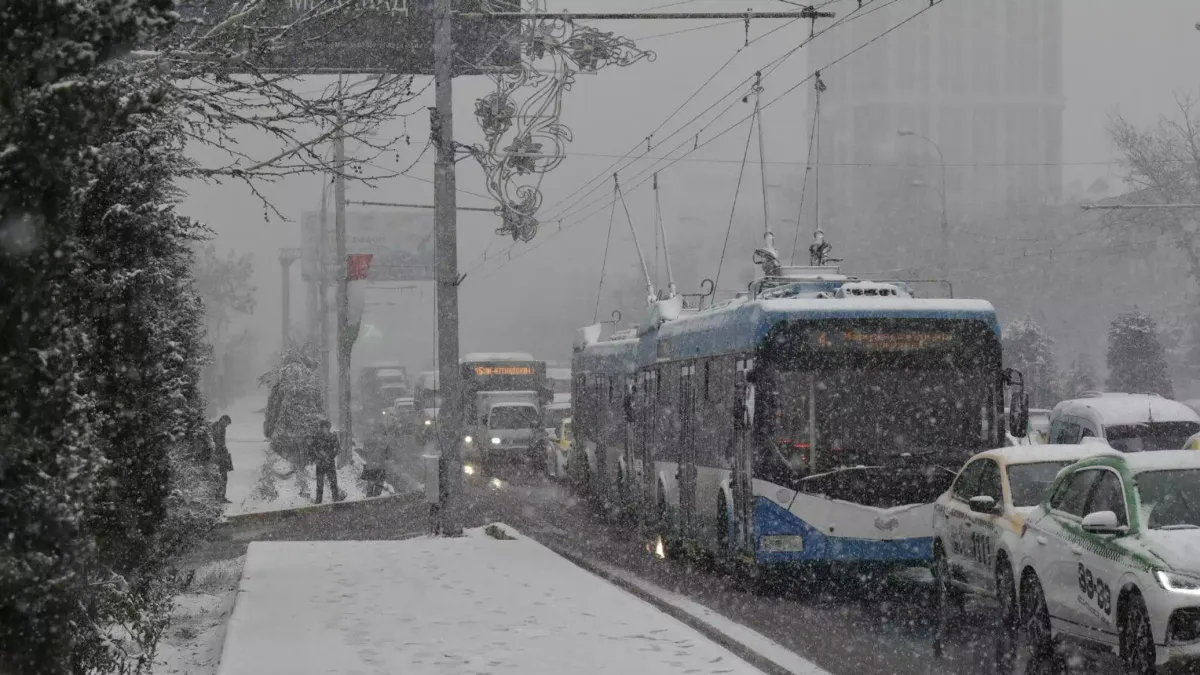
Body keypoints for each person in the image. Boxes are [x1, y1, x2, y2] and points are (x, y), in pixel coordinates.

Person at [310, 419, 341, 504]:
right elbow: (311, 449)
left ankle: (336, 501)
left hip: (330, 463)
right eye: (323, 427)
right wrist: (315, 459)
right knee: (319, 485)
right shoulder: (317, 437)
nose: (324, 429)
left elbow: (338, 449)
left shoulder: (333, 437)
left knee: (333, 483)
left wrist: (330, 456)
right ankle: (318, 502)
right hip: (320, 464)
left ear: (329, 428)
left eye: (326, 427)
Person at [210, 415, 233, 503]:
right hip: (219, 457)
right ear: (223, 421)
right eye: (226, 423)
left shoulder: (216, 426)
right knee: (222, 477)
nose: (227, 425)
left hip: (217, 456)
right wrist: (224, 453)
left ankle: (217, 497)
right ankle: (220, 497)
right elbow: (219, 444)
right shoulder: (219, 428)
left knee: (218, 477)